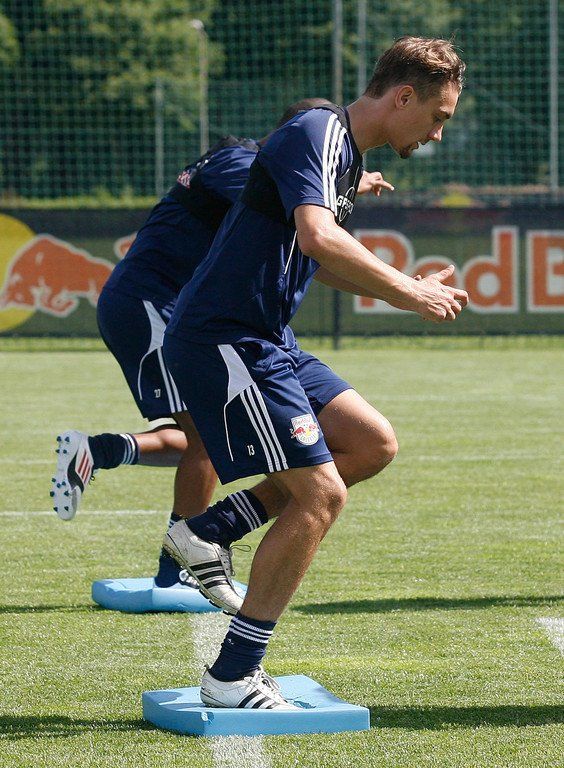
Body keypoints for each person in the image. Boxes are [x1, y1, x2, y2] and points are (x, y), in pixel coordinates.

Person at [161, 36, 469, 709]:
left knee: (371, 443)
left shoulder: (343, 154)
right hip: (227, 338)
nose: (437, 134)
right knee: (321, 496)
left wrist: (404, 288)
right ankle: (232, 676)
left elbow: (315, 258)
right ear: (403, 96)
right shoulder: (319, 130)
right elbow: (318, 237)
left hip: (269, 338)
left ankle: (211, 528)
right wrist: (409, 292)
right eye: (438, 116)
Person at [51, 97, 395, 596]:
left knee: (207, 435)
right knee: (205, 440)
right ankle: (179, 569)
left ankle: (102, 453)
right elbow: (291, 207)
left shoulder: (249, 161)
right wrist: (329, 189)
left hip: (177, 306)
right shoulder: (240, 162)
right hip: (156, 303)